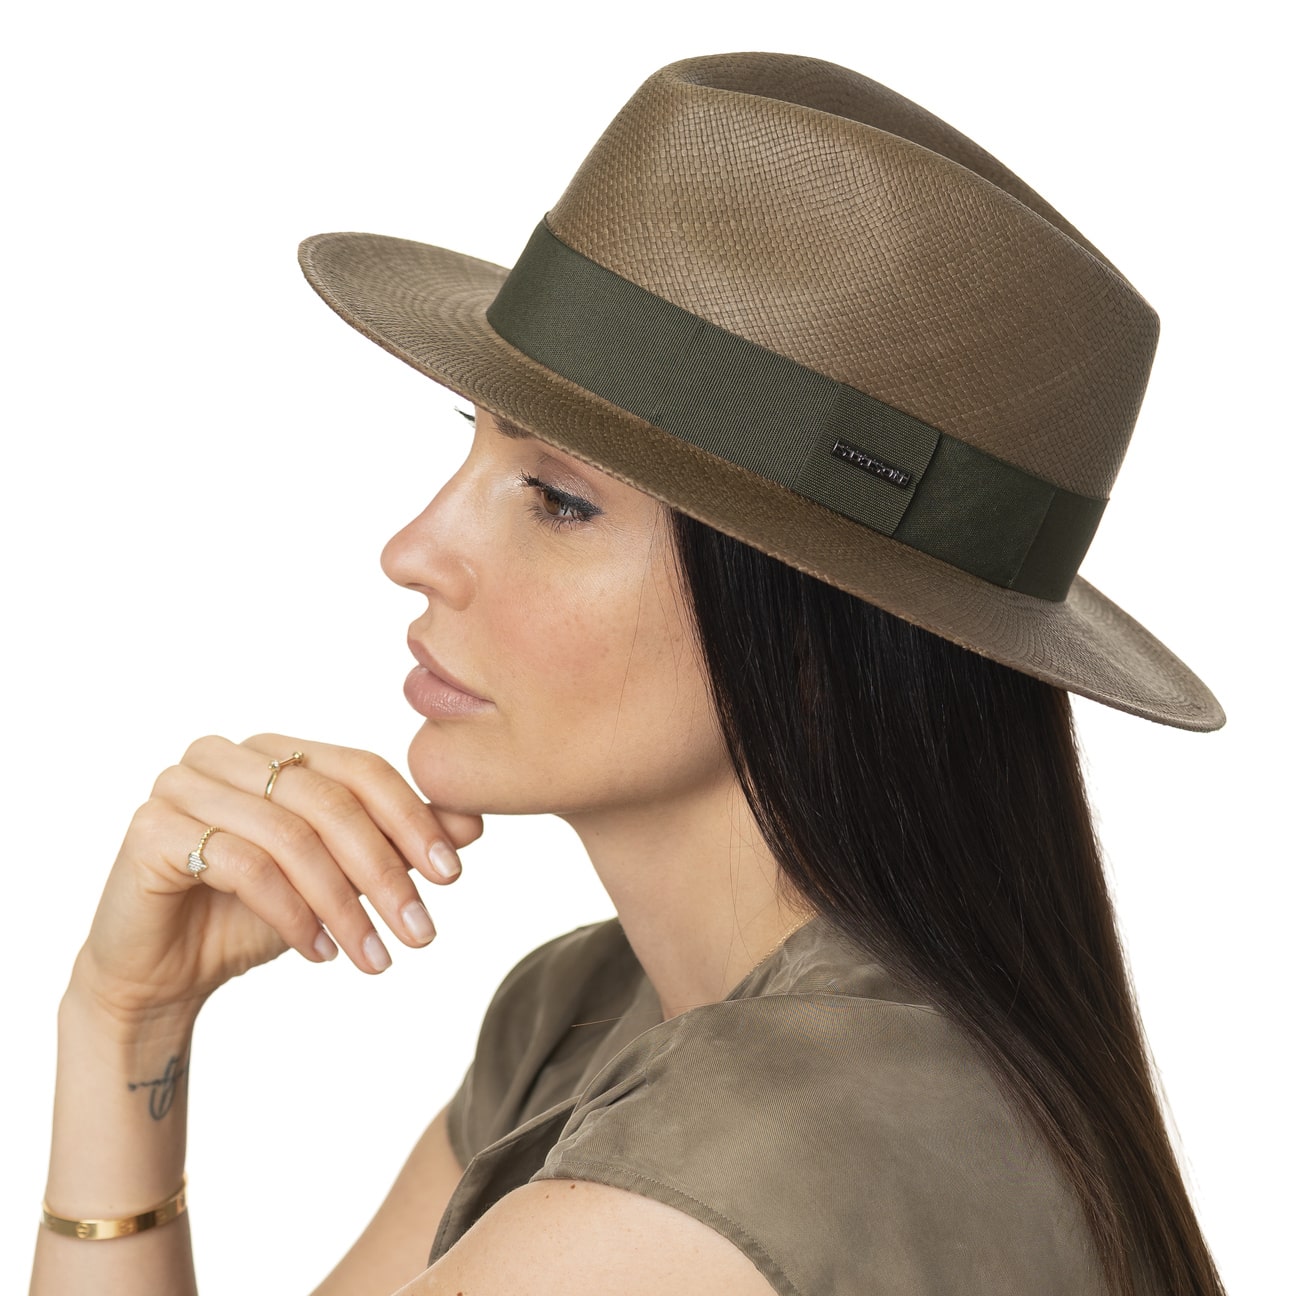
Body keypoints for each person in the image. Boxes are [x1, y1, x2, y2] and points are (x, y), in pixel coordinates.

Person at [29, 50, 1229, 1296]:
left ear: (811, 636)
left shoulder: (770, 1141)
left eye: (557, 499)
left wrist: (117, 1031)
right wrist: (128, 1017)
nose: (413, 551)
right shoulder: (595, 1011)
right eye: (471, 448)